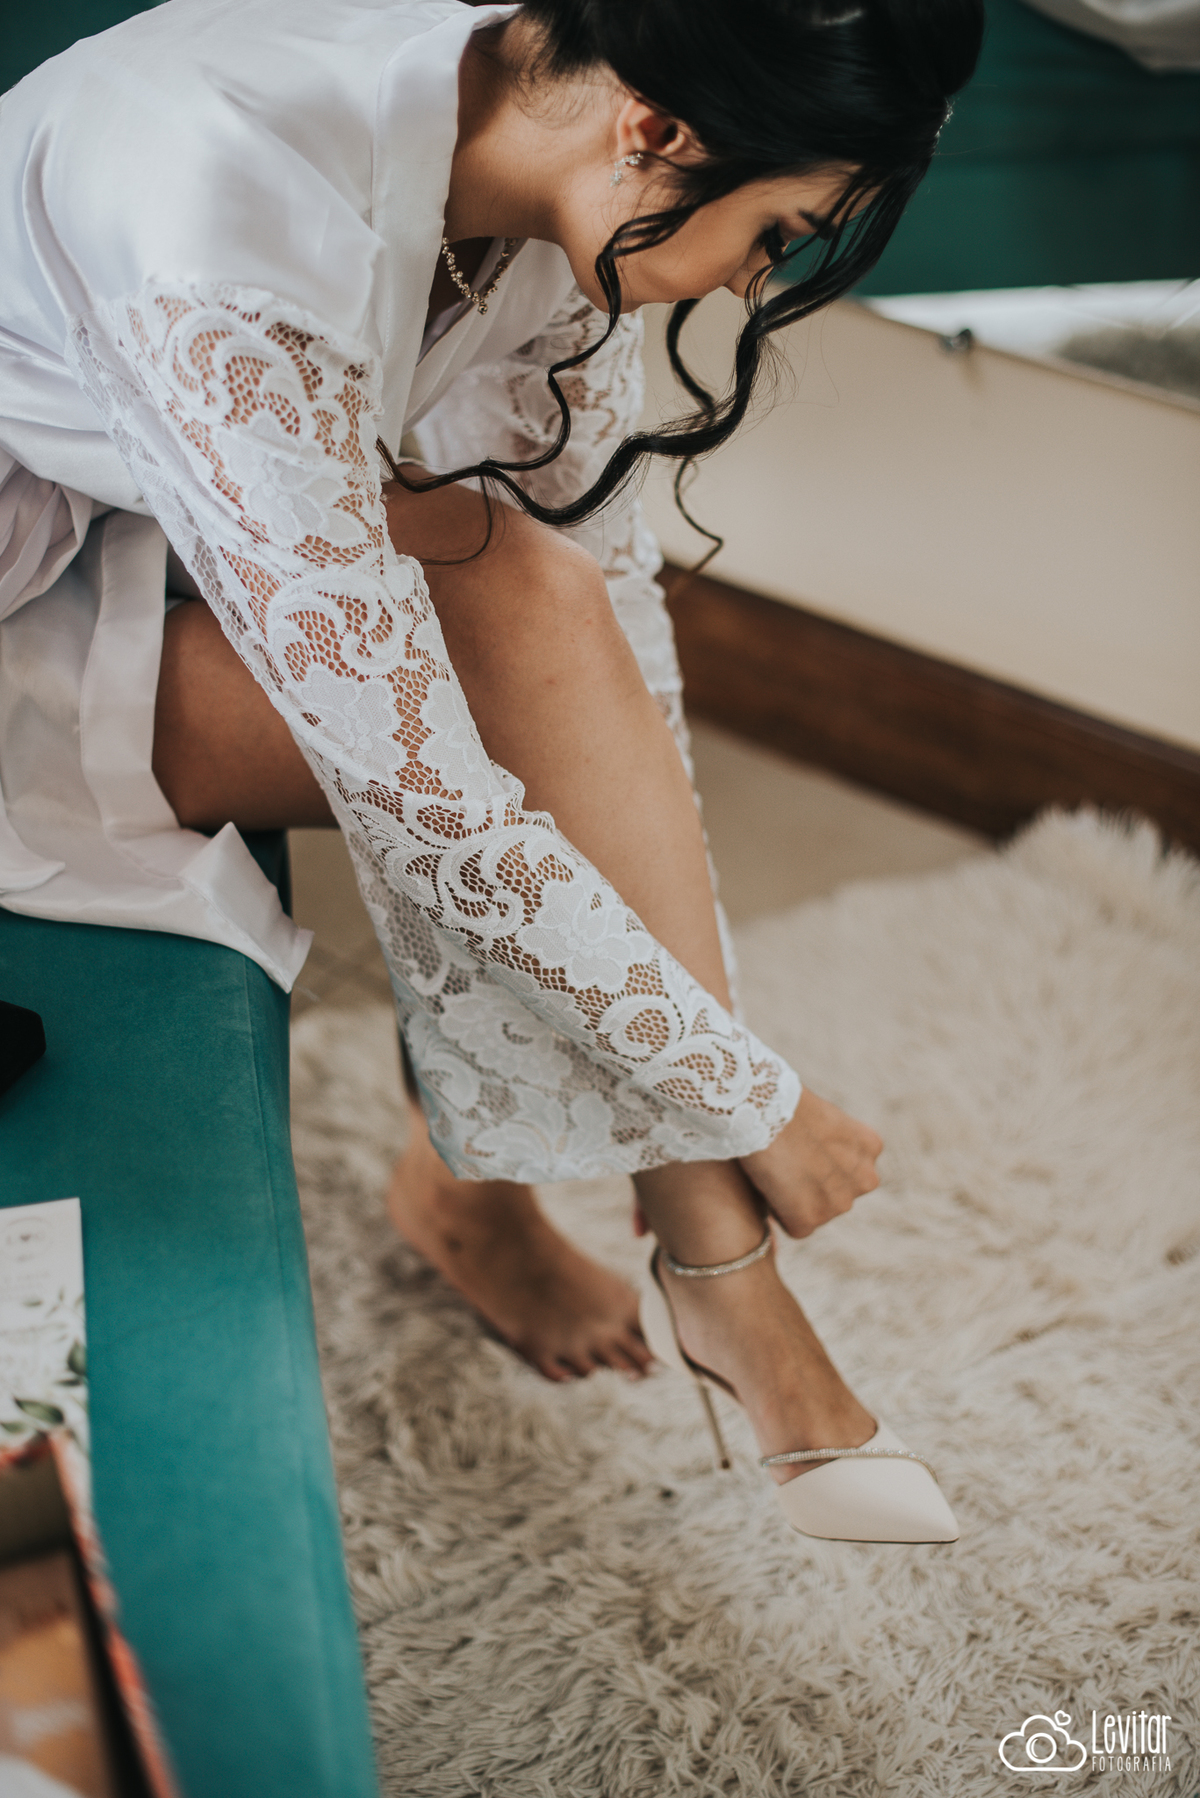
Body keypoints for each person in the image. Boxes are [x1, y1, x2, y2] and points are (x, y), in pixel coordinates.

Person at [0, 0, 981, 1541]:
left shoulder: (532, 137)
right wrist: (744, 1093)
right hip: (30, 621)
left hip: (107, 550)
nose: (753, 282)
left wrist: (714, 1083)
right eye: (778, 234)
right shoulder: (227, 198)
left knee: (534, 596)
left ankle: (707, 1268)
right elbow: (422, 795)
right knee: (465, 676)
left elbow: (605, 645)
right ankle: (726, 1287)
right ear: (658, 131)